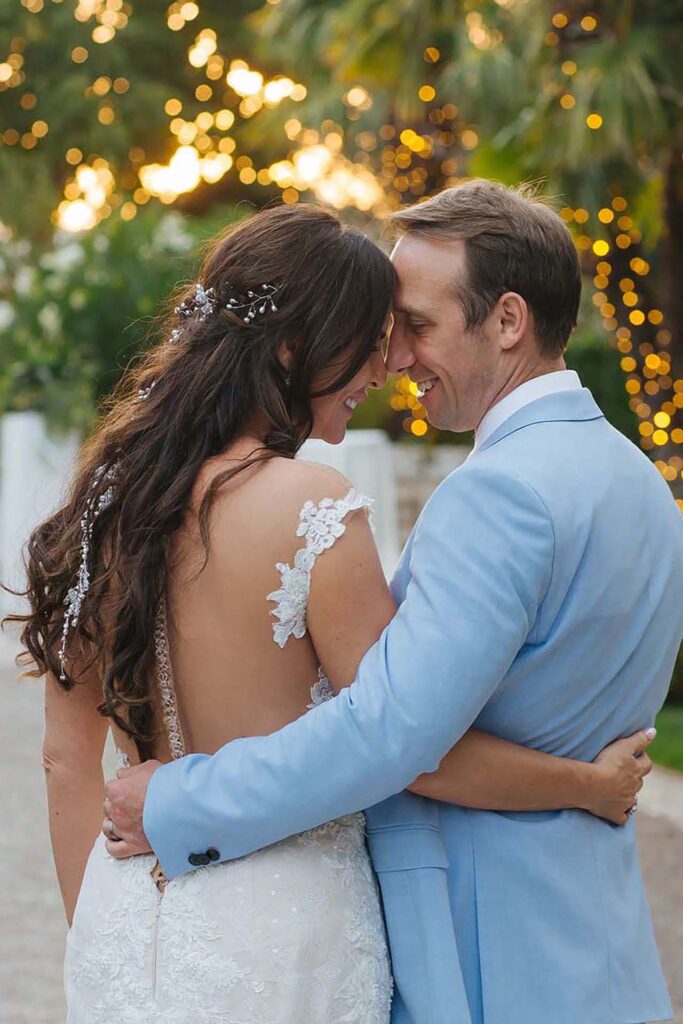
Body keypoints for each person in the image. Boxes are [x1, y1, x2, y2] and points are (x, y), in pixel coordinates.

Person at [105, 183, 683, 1024]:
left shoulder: (500, 493)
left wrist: (179, 803)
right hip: (596, 943)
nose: (397, 359)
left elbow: (391, 732)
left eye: (416, 325)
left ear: (507, 321)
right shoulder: (637, 479)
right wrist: (589, 786)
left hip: (481, 945)